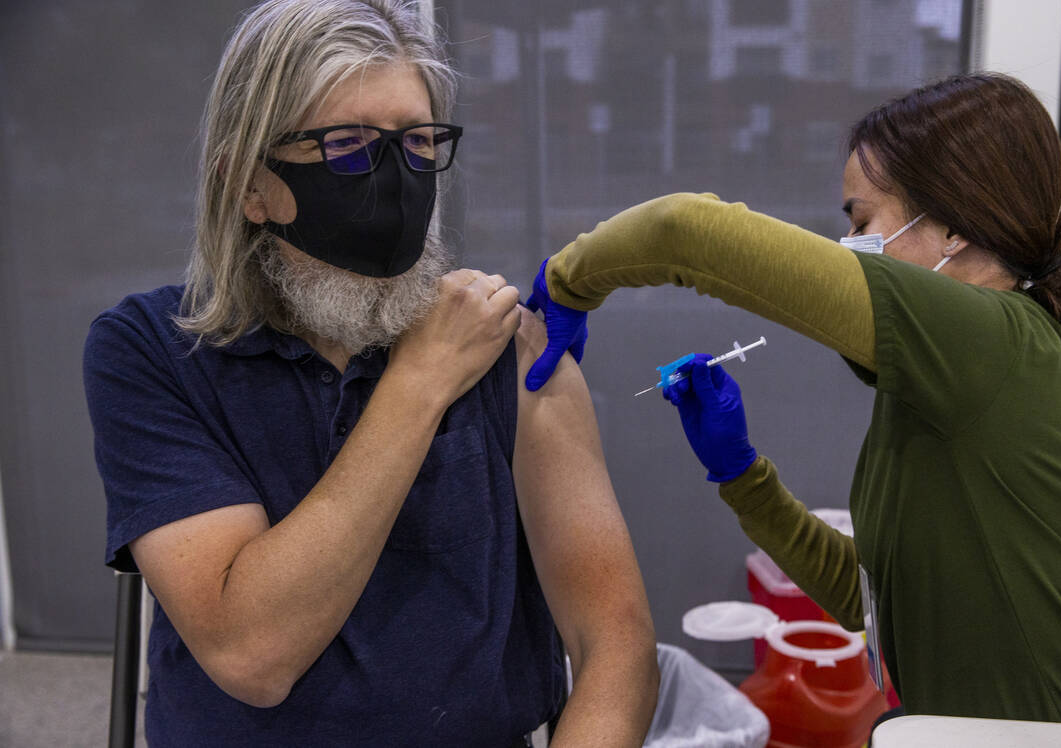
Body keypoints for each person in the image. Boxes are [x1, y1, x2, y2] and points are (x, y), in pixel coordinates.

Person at [524, 73, 1061, 729]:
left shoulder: (989, 340)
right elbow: (870, 604)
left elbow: (684, 232)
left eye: (863, 220)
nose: (850, 247)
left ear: (954, 228)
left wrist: (567, 282)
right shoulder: (937, 392)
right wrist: (742, 476)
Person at [82, 1, 658, 745]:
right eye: (346, 146)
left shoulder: (504, 347)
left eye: (418, 142)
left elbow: (617, 648)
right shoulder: (152, 352)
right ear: (249, 187)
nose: (394, 179)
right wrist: (420, 381)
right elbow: (252, 653)